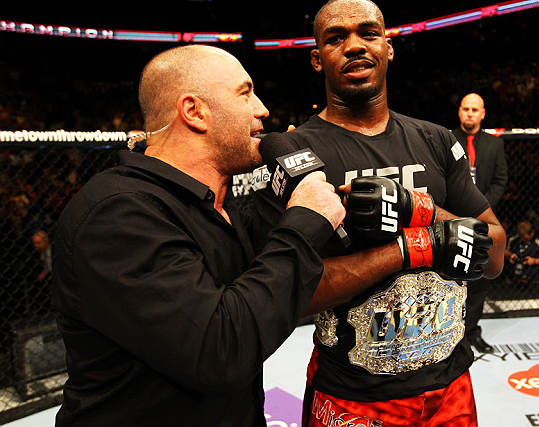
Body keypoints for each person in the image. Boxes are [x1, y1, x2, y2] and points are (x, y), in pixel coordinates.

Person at [51, 44, 351, 426]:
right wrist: (303, 223)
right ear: (194, 112)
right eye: (245, 93)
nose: (262, 110)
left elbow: (257, 299)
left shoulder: (214, 205)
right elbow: (220, 353)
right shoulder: (117, 214)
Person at [255, 0, 505, 426]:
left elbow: (496, 254)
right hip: (354, 396)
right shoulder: (297, 157)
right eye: (336, 38)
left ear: (388, 48)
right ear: (317, 59)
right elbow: (285, 295)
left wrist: (417, 208)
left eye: (369, 33)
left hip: (451, 385)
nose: (355, 45)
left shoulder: (434, 139)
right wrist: (412, 247)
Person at [451, 92, 508, 354]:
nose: (470, 114)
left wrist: (481, 209)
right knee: (452, 278)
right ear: (460, 112)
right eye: (466, 109)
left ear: (482, 113)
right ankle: (453, 333)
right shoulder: (448, 140)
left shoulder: (494, 144)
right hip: (453, 219)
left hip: (484, 221)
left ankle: (472, 331)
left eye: (475, 110)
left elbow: (500, 181)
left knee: (480, 280)